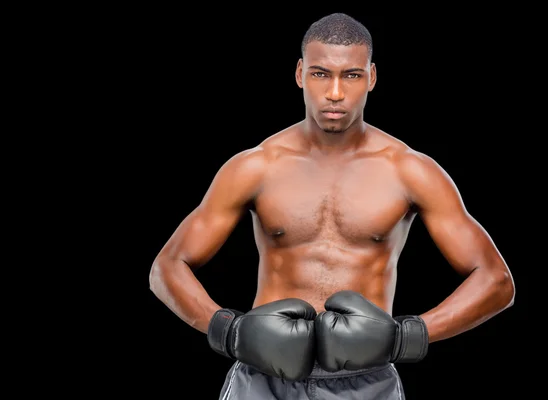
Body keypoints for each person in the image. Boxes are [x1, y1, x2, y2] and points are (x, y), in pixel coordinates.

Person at [149, 12, 515, 400]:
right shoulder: (255, 166)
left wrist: (404, 336)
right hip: (262, 377)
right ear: (299, 74)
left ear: (372, 77)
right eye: (321, 74)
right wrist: (231, 331)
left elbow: (495, 280)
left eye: (352, 76)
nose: (335, 92)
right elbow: (167, 267)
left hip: (367, 380)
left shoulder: (410, 171)